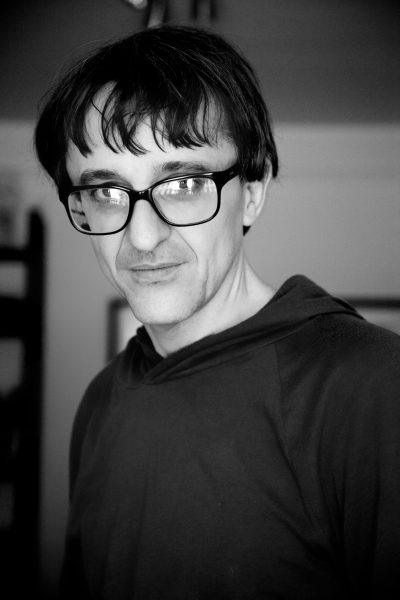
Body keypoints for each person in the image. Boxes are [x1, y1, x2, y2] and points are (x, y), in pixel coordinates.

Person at [35, 24, 400, 600]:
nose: (143, 237)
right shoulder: (101, 400)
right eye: (105, 192)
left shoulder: (371, 386)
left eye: (182, 184)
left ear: (252, 190)